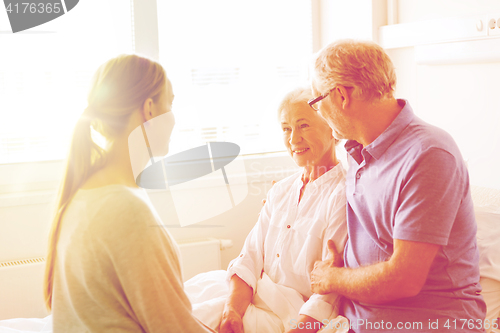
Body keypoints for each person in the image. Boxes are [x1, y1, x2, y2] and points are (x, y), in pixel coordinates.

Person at [308, 39, 487, 332]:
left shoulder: (428, 155)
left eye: (317, 101)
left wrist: (331, 278)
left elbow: (403, 279)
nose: (319, 112)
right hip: (357, 319)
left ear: (341, 95)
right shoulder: (356, 150)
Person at [43, 54, 213, 332]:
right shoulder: (126, 209)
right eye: (170, 103)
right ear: (149, 109)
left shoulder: (86, 191)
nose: (174, 118)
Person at [198, 87, 348, 333]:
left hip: (290, 315)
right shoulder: (281, 191)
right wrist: (232, 312)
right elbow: (250, 257)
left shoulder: (342, 195)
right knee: (179, 308)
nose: (293, 139)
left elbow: (329, 293)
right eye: (286, 128)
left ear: (333, 128)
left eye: (304, 126)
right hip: (249, 297)